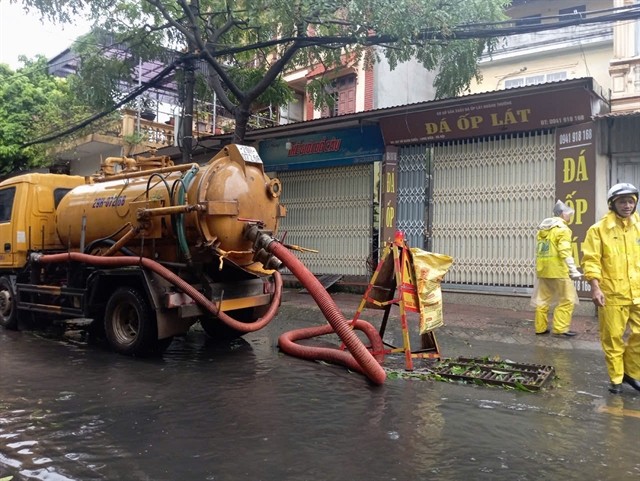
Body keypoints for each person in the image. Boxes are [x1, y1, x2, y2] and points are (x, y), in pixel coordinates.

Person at [582, 182, 640, 394]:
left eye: (631, 201)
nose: (627, 206)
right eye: (622, 201)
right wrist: (595, 288)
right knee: (613, 338)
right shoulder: (598, 230)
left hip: (638, 293)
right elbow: (591, 260)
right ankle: (616, 378)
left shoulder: (639, 226)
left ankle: (631, 373)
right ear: (612, 204)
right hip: (612, 294)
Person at [532, 200, 582, 337]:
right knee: (567, 299)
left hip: (543, 270)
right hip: (558, 270)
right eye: (568, 213)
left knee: (542, 300)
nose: (569, 216)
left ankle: (540, 328)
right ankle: (560, 329)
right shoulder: (563, 229)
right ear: (561, 214)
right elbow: (564, 251)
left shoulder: (543, 230)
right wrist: (573, 269)